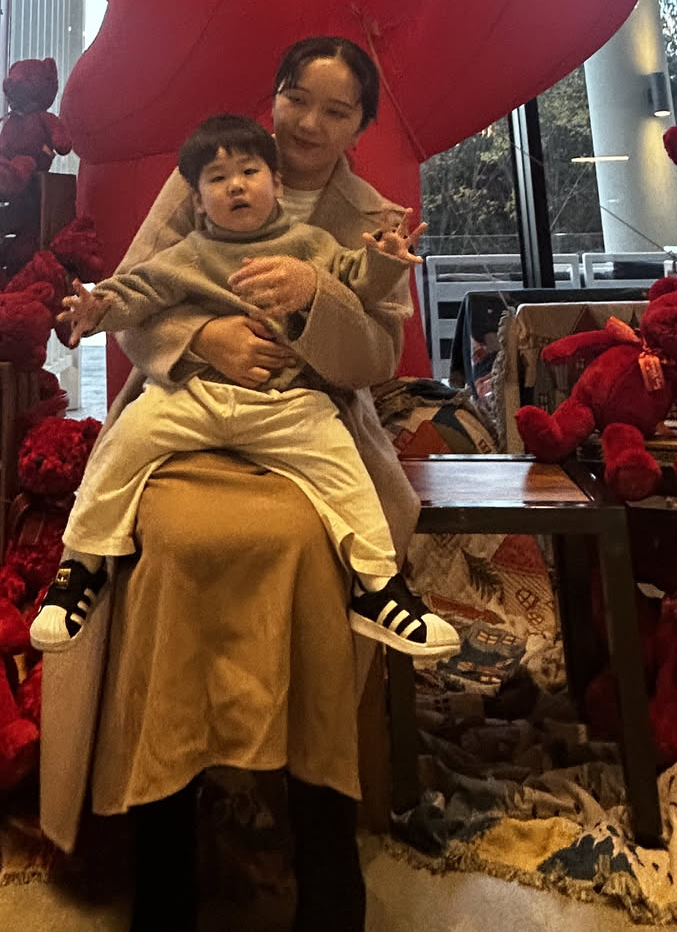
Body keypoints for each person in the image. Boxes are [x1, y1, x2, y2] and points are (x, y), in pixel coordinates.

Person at [39, 35, 425, 932]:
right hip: (184, 410)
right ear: (274, 94)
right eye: (297, 98)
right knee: (167, 546)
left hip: (310, 423)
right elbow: (134, 296)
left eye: (337, 111)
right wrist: (201, 338)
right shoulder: (210, 169)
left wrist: (314, 292)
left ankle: (325, 855)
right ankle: (163, 856)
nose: (309, 123)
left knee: (312, 552)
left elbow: (377, 354)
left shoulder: (371, 217)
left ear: (361, 126)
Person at [32, 111, 459, 661]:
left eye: (249, 172)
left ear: (277, 183)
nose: (235, 185)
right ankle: (80, 567)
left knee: (344, 464)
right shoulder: (187, 255)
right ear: (196, 200)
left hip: (287, 403)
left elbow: (357, 278)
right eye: (217, 178)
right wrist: (99, 309)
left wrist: (385, 262)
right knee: (123, 443)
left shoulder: (310, 244)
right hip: (196, 396)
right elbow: (138, 290)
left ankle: (378, 586)